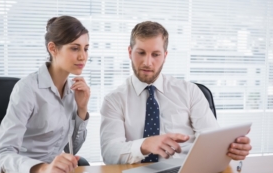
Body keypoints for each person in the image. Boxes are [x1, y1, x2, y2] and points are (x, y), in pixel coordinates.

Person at [100, 21, 252, 165]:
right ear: (130, 52)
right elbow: (109, 153)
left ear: (165, 56)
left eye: (155, 54)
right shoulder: (114, 100)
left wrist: (231, 149)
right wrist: (145, 145)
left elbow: (212, 142)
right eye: (141, 52)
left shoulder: (190, 91)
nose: (147, 62)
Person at [0, 16, 90, 173]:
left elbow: (72, 149)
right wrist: (43, 168)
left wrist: (82, 110)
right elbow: (2, 153)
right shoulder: (27, 88)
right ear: (53, 48)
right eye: (74, 48)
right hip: (17, 172)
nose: (83, 56)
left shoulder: (73, 90)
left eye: (86, 48)